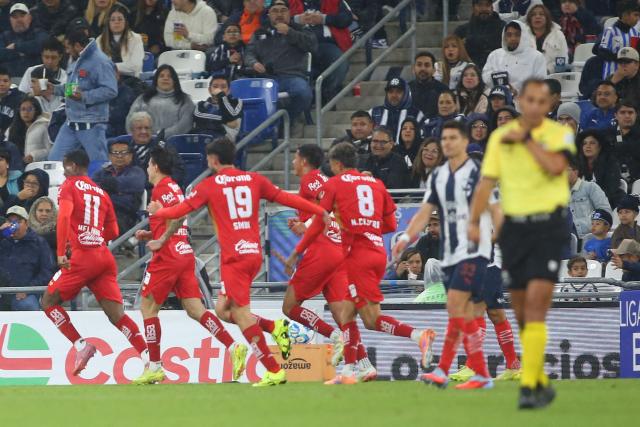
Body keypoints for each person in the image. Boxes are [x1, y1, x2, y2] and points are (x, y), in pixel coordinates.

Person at [148, 137, 330, 387]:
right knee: (223, 309)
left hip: (234, 257)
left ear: (212, 160)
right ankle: (275, 328)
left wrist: (160, 212)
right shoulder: (254, 180)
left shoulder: (209, 186)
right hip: (252, 253)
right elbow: (284, 198)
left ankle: (274, 369)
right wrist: (320, 210)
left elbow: (183, 210)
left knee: (241, 314)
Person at [468, 78, 575, 409]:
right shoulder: (500, 139)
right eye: (527, 99)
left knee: (536, 305)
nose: (532, 105)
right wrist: (474, 221)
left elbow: (557, 167)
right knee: (516, 309)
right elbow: (486, 182)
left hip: (547, 226)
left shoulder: (559, 135)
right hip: (514, 231)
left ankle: (530, 383)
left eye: (538, 100)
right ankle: (534, 375)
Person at [290, 142, 436, 385]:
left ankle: (417, 335)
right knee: (347, 312)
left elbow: (319, 221)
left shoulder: (333, 184)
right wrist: (366, 225)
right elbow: (390, 224)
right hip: (376, 253)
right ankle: (355, 369)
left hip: (357, 254)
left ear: (336, 164)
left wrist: (298, 250)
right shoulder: (376, 184)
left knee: (370, 319)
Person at [132, 147, 248, 385]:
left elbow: (179, 216)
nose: (147, 169)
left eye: (148, 165)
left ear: (154, 166)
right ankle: (233, 345)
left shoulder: (161, 188)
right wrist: (151, 233)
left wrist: (162, 238)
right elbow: (174, 218)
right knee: (195, 310)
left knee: (147, 309)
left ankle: (154, 366)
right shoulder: (173, 186)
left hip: (168, 255)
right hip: (183, 252)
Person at [394, 120, 496, 390]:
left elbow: (497, 211)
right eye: (444, 139)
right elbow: (425, 212)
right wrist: (406, 237)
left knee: (455, 305)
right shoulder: (438, 176)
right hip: (451, 253)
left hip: (474, 251)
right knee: (463, 312)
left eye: (453, 138)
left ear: (463, 142)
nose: (448, 143)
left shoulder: (477, 174)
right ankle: (481, 374)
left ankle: (443, 370)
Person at [41, 149, 149, 376]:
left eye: (65, 167)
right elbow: (114, 230)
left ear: (70, 165)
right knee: (117, 316)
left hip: (82, 257)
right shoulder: (101, 193)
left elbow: (64, 216)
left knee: (49, 301)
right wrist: (93, 234)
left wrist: (62, 251)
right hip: (103, 256)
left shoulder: (69, 186)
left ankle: (81, 346)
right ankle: (150, 359)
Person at [280, 144, 376, 381]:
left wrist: (309, 226)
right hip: (337, 252)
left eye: (294, 157)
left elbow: (326, 208)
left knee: (290, 307)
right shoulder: (321, 180)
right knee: (342, 314)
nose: (292, 163)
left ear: (303, 161)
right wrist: (305, 226)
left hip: (321, 252)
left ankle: (334, 336)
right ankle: (364, 365)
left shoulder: (312, 179)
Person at [48, 30, 117, 163]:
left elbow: (111, 90)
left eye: (68, 47)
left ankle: (103, 184)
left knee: (99, 165)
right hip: (71, 121)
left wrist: (84, 96)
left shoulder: (101, 61)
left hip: (91, 123)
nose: (67, 51)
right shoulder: (77, 60)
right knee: (54, 161)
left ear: (78, 45)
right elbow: (74, 90)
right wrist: (55, 89)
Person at [244, 0, 318, 124]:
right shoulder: (260, 32)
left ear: (289, 13)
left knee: (304, 93)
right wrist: (253, 63)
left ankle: (284, 120)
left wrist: (289, 32)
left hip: (292, 76)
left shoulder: (300, 29)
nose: (279, 14)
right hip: (267, 78)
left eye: (283, 11)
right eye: (275, 11)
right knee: (244, 95)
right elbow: (249, 53)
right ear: (269, 15)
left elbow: (312, 46)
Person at [292, 0, 352, 104]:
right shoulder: (288, 2)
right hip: (297, 47)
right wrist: (296, 19)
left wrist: (324, 19)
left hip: (326, 45)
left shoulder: (336, 1)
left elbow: (347, 19)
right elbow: (268, 18)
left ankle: (324, 94)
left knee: (340, 63)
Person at [0, 205, 54, 311]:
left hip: (28, 293)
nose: (13, 226)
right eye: (10, 222)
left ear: (27, 223)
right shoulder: (3, 242)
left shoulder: (39, 243)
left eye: (18, 222)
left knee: (26, 305)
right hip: (3, 292)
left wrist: (28, 289)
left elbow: (47, 271)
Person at [127, 64, 195, 139]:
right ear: (156, 80)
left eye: (169, 76)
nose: (165, 78)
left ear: (175, 81)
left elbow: (185, 125)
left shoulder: (185, 100)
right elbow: (130, 122)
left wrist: (161, 136)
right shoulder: (142, 99)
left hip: (174, 144)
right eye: (161, 76)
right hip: (143, 141)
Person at [92, 139, 146, 234]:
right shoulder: (101, 173)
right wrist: (117, 191)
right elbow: (91, 189)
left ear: (130, 156)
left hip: (124, 216)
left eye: (124, 153)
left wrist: (107, 190)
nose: (119, 156)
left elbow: (126, 201)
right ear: (109, 156)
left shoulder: (137, 172)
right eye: (115, 153)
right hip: (99, 211)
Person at [482, 20, 547, 94]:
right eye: (509, 35)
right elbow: (486, 78)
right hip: (498, 98)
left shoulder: (536, 56)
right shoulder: (495, 55)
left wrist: (517, 92)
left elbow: (540, 83)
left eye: (517, 35)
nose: (513, 38)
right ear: (504, 37)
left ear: (524, 36)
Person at [127, 111, 186, 185]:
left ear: (152, 130)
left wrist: (160, 183)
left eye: (147, 128)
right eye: (139, 128)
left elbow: (179, 171)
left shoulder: (164, 148)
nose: (143, 131)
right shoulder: (125, 150)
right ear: (132, 131)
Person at [576, 129, 625, 208]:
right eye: (584, 143)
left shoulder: (610, 164)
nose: (588, 146)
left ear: (599, 147)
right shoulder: (576, 165)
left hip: (607, 204)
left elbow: (611, 189)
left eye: (592, 143)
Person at [18, 37, 67, 112]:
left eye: (53, 57)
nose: (49, 61)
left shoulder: (67, 76)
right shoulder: (31, 71)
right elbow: (21, 95)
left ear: (60, 57)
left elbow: (73, 95)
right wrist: (33, 94)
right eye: (46, 57)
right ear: (41, 56)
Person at [0, 4, 49, 77]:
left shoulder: (39, 33)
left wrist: (16, 47)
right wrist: (21, 53)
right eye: (15, 17)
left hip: (34, 80)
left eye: (22, 16)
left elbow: (42, 45)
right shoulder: (4, 36)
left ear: (29, 18)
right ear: (10, 20)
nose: (19, 20)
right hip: (8, 81)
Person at [96, 4, 144, 78]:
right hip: (107, 80)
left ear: (125, 21)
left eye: (120, 19)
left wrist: (110, 66)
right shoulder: (99, 40)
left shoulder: (136, 38)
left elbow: (135, 66)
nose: (116, 22)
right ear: (108, 22)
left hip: (131, 81)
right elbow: (98, 66)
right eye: (113, 19)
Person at [370, 77, 423, 143]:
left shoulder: (417, 114)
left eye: (398, 92)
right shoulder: (374, 112)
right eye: (390, 92)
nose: (394, 95)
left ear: (406, 93)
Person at [568, 159, 611, 238]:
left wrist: (577, 224)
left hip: (588, 235)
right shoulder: (557, 193)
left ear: (576, 172)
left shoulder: (590, 187)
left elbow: (606, 213)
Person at [596, 0, 640, 79]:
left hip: (630, 78)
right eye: (635, 15)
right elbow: (602, 52)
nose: (638, 18)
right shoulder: (611, 31)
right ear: (625, 15)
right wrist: (623, 59)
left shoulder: (635, 33)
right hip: (611, 76)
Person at [455, 0, 504, 69]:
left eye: (487, 5)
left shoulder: (503, 28)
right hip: (470, 73)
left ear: (492, 8)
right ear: (473, 8)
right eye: (480, 5)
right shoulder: (461, 31)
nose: (484, 9)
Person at [192, 75, 242, 141]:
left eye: (223, 87)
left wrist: (222, 97)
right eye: (215, 86)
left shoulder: (236, 102)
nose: (219, 90)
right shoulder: (201, 104)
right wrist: (224, 121)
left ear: (229, 90)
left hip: (223, 142)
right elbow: (199, 116)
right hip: (201, 139)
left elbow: (233, 121)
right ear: (209, 90)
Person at [525, 5, 569, 74]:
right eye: (533, 15)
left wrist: (548, 70)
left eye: (541, 14)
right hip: (528, 76)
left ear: (547, 18)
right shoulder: (523, 35)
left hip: (552, 76)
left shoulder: (558, 35)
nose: (537, 17)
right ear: (529, 19)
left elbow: (563, 60)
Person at [408, 51, 447, 121]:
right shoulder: (406, 89)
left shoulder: (443, 90)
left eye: (427, 65)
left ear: (434, 70)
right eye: (419, 65)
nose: (423, 68)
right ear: (413, 69)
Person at [8, 96, 47, 160]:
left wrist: (33, 156)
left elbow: (50, 150)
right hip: (14, 165)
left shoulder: (45, 126)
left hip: (36, 165)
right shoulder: (11, 128)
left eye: (29, 109)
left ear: (36, 110)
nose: (26, 112)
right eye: (23, 109)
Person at [611, 101, 640, 185]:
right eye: (622, 112)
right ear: (615, 115)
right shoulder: (606, 136)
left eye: (630, 112)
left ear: (636, 115)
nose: (627, 116)